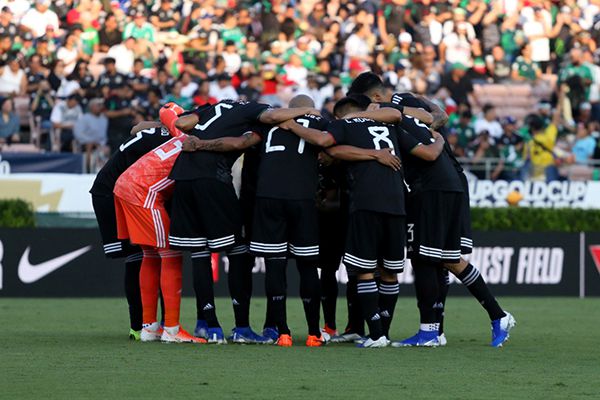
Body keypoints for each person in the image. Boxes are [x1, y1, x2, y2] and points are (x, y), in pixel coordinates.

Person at [348, 72, 516, 347]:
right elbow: (437, 116)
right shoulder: (409, 107)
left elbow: (427, 146)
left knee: (425, 257)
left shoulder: (391, 115)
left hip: (430, 187)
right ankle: (486, 318)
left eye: (367, 105)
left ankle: (430, 331)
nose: (367, 112)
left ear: (376, 99)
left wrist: (353, 119)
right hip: (450, 181)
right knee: (447, 258)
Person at [167, 99, 326, 344]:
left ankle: (207, 325)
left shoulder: (214, 106)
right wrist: (306, 110)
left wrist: (197, 139)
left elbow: (182, 121)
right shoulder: (254, 110)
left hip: (182, 177)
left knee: (199, 253)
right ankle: (242, 327)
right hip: (213, 179)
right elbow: (244, 140)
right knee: (239, 251)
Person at [113, 103, 204, 344]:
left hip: (124, 184)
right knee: (171, 254)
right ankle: (172, 330)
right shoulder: (202, 140)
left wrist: (179, 113)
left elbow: (166, 109)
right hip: (145, 192)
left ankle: (149, 327)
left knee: (150, 255)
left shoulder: (181, 130)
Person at [89, 118, 173, 341]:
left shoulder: (158, 133)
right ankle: (146, 325)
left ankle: (148, 325)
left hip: (114, 190)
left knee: (145, 255)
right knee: (145, 255)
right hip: (117, 193)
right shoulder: (177, 141)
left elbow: (136, 128)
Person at [73, 98, 108, 172]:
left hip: (99, 144)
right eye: (98, 105)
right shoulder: (84, 118)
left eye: (101, 105)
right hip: (85, 144)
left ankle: (104, 171)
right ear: (91, 107)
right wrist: (90, 141)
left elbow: (104, 135)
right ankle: (87, 170)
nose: (101, 107)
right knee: (89, 146)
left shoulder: (104, 119)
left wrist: (101, 144)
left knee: (107, 148)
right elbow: (78, 133)